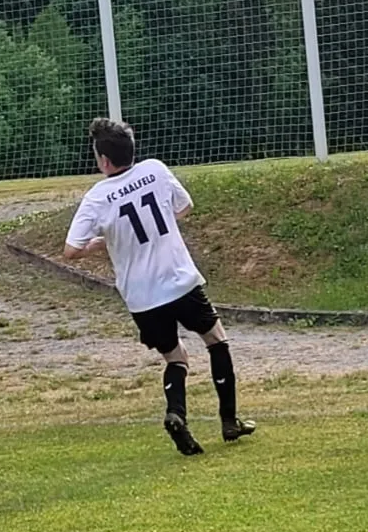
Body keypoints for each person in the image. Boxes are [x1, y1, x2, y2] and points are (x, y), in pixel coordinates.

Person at [64, 118, 255, 456]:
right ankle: (229, 420)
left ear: (104, 161)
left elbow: (71, 250)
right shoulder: (155, 169)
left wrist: (105, 240)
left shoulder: (97, 197)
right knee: (216, 340)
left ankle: (176, 414)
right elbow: (185, 206)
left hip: (141, 297)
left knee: (175, 357)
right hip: (179, 280)